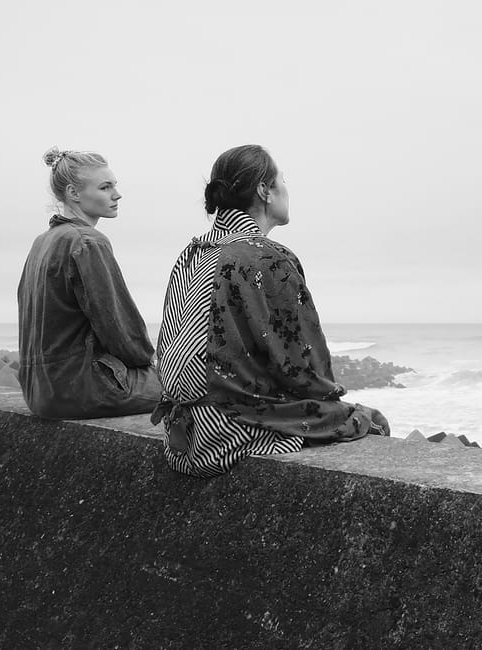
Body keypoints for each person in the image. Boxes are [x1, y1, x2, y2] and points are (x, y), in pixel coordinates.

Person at [153, 144, 389, 477]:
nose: (287, 189)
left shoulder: (192, 252)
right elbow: (302, 366)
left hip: (184, 433)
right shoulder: (265, 256)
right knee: (369, 420)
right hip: (228, 435)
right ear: (264, 190)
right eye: (282, 180)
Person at [17, 148, 162, 418]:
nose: (117, 194)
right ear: (73, 193)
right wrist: (148, 361)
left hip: (38, 392)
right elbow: (119, 326)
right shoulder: (87, 241)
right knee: (197, 387)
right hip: (83, 389)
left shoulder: (42, 242)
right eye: (105, 187)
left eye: (114, 185)